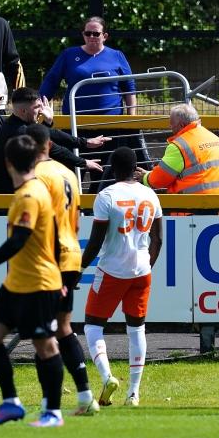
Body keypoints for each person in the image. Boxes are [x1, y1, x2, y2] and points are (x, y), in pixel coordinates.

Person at [0, 135, 64, 427]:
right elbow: (55, 235)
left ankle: (53, 412)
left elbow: (19, 239)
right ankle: (11, 403)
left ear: (7, 162)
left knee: (45, 346)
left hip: (38, 283)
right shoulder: (33, 190)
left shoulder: (30, 195)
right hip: (16, 283)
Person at [80, 147, 163, 407]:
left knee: (93, 326)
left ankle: (107, 377)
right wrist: (147, 265)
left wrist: (78, 268)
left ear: (112, 168)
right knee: (137, 329)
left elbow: (95, 243)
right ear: (135, 168)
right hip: (142, 270)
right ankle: (133, 393)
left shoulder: (107, 196)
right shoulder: (150, 194)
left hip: (112, 270)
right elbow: (158, 239)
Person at [25, 124, 98, 416]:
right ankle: (85, 396)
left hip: (49, 258)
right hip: (71, 254)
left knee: (44, 331)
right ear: (49, 145)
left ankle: (50, 404)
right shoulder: (67, 173)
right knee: (62, 327)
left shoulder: (37, 176)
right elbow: (75, 219)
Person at [39, 16, 147, 193]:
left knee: (105, 176)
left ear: (105, 36)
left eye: (96, 34)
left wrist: (131, 118)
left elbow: (129, 87)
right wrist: (41, 105)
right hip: (75, 127)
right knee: (71, 172)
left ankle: (99, 205)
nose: (91, 37)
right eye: (87, 33)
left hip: (109, 127)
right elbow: (51, 82)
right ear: (83, 34)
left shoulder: (117, 56)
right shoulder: (68, 55)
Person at [0, 87, 107, 193]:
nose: (41, 111)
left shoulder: (16, 123)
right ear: (23, 111)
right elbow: (54, 148)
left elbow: (49, 133)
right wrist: (84, 162)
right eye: (37, 107)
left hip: (19, 190)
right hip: (8, 195)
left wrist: (85, 142)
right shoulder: (20, 131)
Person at [137, 104, 219, 194]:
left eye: (171, 123)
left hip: (196, 205)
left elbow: (158, 180)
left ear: (181, 125)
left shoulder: (179, 146)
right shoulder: (213, 137)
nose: (170, 126)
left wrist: (145, 177)